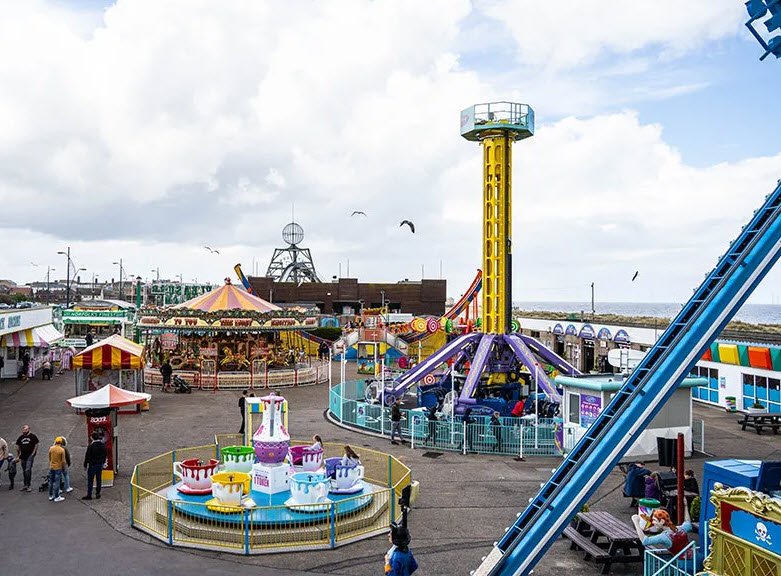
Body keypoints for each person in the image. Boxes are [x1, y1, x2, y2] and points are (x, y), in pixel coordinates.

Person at [632, 506, 699, 572]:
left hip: (684, 565)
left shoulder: (664, 537)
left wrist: (636, 523)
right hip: (697, 557)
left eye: (654, 520)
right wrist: (686, 505)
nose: (653, 523)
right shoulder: (681, 528)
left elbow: (645, 541)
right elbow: (688, 523)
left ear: (662, 521)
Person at [82, 431, 107, 500]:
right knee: (99, 479)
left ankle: (89, 494)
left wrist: (85, 465)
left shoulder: (91, 446)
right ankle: (98, 493)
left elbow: (87, 456)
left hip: (92, 465)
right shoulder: (102, 445)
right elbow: (105, 454)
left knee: (90, 480)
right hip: (100, 464)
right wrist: (103, 462)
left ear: (92, 438)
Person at [15, 424, 39, 492]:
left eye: (26, 429)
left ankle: (28, 485)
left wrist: (33, 453)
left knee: (28, 470)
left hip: (30, 456)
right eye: (23, 430)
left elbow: (36, 444)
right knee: (24, 471)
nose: (24, 431)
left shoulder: (32, 436)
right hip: (22, 456)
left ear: (28, 429)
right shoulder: (21, 437)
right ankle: (25, 485)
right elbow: (17, 446)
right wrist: (18, 456)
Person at [47, 437, 67, 502]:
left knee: (51, 482)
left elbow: (49, 457)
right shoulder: (62, 450)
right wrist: (63, 468)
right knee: (57, 482)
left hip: (52, 467)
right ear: (61, 443)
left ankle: (50, 495)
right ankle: (57, 496)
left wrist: (51, 463)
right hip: (58, 467)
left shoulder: (51, 448)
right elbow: (63, 461)